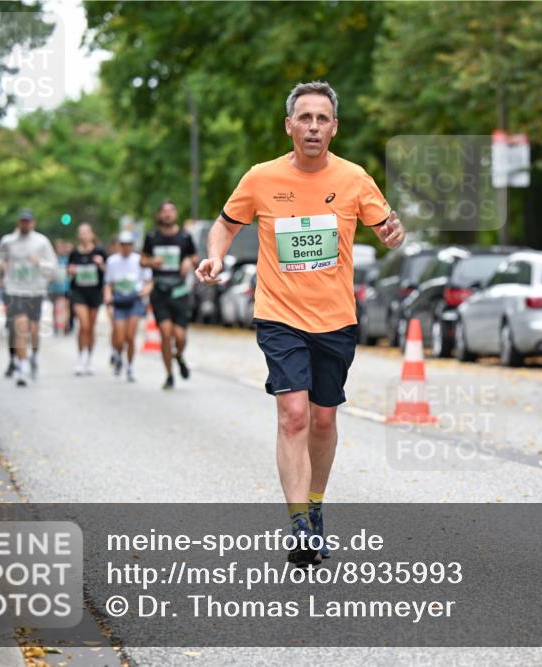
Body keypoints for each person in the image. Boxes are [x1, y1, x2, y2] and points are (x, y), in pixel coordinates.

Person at [196, 81, 405, 566]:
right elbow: (225, 224)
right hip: (279, 316)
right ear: (289, 125)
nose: (313, 126)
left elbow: (388, 231)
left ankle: (315, 505)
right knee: (293, 414)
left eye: (322, 119)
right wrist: (214, 257)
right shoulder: (261, 178)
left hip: (335, 319)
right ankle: (298, 524)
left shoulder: (354, 178)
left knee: (324, 418)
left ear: (335, 127)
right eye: (304, 118)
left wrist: (395, 235)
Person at [0, 210, 57, 387]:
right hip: (14, 290)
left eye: (28, 222)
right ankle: (22, 367)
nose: (25, 224)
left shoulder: (42, 242)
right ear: (18, 222)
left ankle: (34, 355)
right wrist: (0, 265)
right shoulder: (8, 241)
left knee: (33, 330)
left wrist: (39, 263)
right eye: (22, 221)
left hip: (35, 291)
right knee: (20, 327)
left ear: (33, 223)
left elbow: (53, 267)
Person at [142, 200, 197, 390]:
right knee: (165, 334)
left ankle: (179, 356)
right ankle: (169, 374)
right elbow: (142, 259)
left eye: (171, 210)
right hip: (160, 291)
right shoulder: (151, 237)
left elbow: (194, 256)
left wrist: (188, 262)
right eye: (164, 211)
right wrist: (151, 262)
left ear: (175, 214)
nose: (167, 214)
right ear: (159, 215)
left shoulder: (184, 236)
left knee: (180, 336)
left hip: (180, 291)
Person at [104, 231, 153, 382]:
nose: (126, 248)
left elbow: (149, 281)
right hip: (119, 300)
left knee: (130, 336)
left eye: (128, 245)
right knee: (119, 337)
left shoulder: (139, 260)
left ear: (132, 246)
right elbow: (108, 283)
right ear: (119, 246)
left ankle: (130, 366)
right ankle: (118, 355)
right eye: (123, 245)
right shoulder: (112, 261)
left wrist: (144, 292)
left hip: (134, 300)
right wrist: (107, 297)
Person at [68, 223, 108, 375]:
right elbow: (69, 272)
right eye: (81, 233)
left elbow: (108, 272)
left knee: (91, 327)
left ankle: (89, 359)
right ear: (78, 236)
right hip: (79, 292)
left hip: (95, 292)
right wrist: (70, 271)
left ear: (92, 234)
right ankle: (81, 357)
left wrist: (101, 264)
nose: (84, 235)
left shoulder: (99, 251)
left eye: (87, 232)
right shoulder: (74, 253)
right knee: (83, 324)